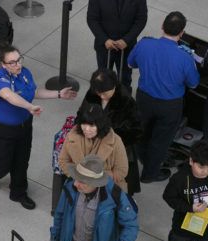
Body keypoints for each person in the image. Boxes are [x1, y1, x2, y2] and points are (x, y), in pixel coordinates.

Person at [0, 45, 77, 210]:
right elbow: (9, 96)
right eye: (12, 62)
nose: (17, 64)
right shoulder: (0, 80)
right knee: (2, 164)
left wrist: (57, 94)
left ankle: (18, 193)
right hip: (1, 130)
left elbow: (33, 92)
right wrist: (29, 107)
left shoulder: (25, 73)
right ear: (3, 64)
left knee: (21, 162)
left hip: (24, 127)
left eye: (19, 59)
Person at [128, 11, 200, 183]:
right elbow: (194, 84)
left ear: (162, 26)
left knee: (141, 132)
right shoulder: (185, 58)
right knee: (161, 141)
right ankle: (150, 174)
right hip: (170, 106)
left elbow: (130, 63)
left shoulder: (144, 45)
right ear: (182, 33)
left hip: (144, 99)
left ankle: (143, 157)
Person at [49, 154, 138, 241]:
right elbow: (59, 214)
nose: (75, 184)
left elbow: (130, 224)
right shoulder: (69, 186)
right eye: (76, 178)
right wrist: (54, 238)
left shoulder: (115, 195)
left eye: (81, 181)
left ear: (96, 183)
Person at [82, 68, 143, 195]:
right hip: (92, 145)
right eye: (99, 93)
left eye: (105, 93)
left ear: (114, 86)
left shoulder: (125, 101)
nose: (102, 96)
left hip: (117, 149)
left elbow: (136, 130)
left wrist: (115, 142)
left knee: (118, 182)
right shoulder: (93, 94)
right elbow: (82, 113)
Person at [59, 102, 129, 192]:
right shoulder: (72, 136)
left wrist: (97, 180)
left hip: (106, 187)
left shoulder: (116, 141)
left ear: (100, 124)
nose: (87, 129)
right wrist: (78, 178)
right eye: (83, 124)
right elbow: (63, 160)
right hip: (79, 185)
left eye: (92, 125)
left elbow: (122, 171)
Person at [163, 140, 208, 241]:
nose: (205, 171)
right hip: (183, 226)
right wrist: (189, 208)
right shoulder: (179, 179)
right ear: (191, 160)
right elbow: (168, 197)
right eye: (201, 166)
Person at [86, 0, 147, 90]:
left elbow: (141, 19)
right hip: (104, 47)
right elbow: (92, 19)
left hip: (126, 47)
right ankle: (104, 100)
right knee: (103, 78)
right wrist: (105, 40)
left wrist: (126, 40)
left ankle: (124, 100)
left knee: (125, 78)